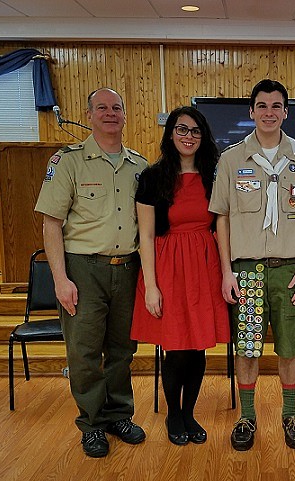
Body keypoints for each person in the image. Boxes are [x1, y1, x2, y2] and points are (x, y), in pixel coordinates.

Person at [35, 87, 148, 458]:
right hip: (82, 269)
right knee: (83, 352)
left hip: (127, 269)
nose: (110, 113)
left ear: (125, 115)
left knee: (122, 350)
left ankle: (119, 415)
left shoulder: (139, 166)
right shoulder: (68, 161)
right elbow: (51, 223)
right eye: (102, 108)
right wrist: (60, 279)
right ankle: (92, 424)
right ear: (89, 115)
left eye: (117, 107)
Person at [209, 79, 295, 451]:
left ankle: (290, 413)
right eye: (262, 105)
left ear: (286, 112)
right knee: (247, 348)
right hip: (248, 271)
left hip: (290, 271)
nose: (269, 112)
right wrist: (227, 271)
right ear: (251, 112)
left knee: (290, 348)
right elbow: (221, 218)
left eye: (276, 106)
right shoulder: (230, 159)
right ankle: (247, 417)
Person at [130, 106, 229, 446]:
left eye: (196, 131)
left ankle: (190, 413)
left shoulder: (214, 176)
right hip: (168, 268)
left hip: (204, 266)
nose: (189, 136)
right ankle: (174, 414)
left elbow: (221, 225)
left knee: (199, 347)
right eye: (182, 129)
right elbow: (145, 236)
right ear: (170, 134)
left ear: (204, 137)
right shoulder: (152, 177)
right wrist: (151, 287)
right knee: (176, 349)